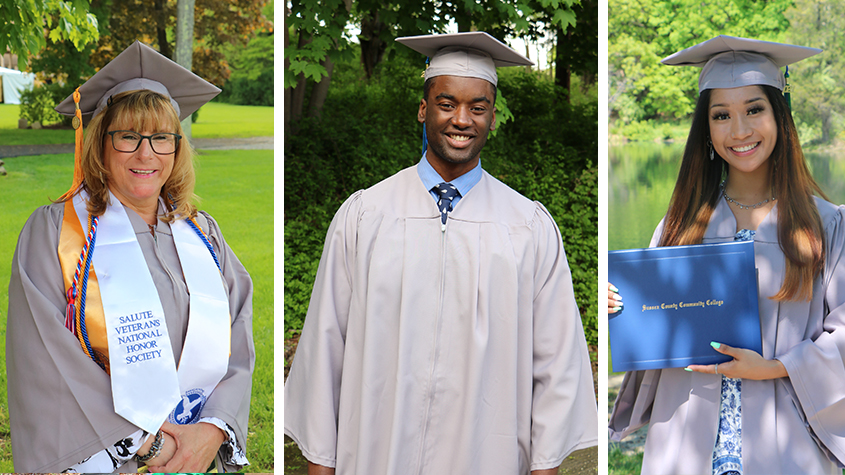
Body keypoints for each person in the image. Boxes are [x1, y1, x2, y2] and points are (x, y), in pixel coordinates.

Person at [284, 32, 598, 475]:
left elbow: (557, 362)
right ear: (423, 108)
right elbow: (324, 349)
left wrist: (543, 466)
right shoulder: (366, 215)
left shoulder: (527, 227)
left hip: (487, 455)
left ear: (493, 116)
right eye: (447, 103)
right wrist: (321, 463)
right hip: (377, 453)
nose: (462, 119)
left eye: (478, 107)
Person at [6, 41, 255, 473]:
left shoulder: (202, 232)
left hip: (195, 455)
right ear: (101, 144)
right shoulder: (56, 233)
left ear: (177, 148)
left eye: (161, 138)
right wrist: (149, 446)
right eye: (128, 137)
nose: (146, 154)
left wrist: (212, 429)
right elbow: (46, 357)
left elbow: (238, 334)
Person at [608, 35, 845, 474]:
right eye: (721, 115)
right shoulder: (680, 223)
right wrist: (622, 308)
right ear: (707, 128)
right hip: (686, 437)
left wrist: (774, 367)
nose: (739, 131)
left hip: (784, 441)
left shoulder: (826, 225)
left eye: (754, 109)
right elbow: (656, 332)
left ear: (780, 115)